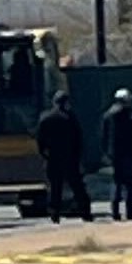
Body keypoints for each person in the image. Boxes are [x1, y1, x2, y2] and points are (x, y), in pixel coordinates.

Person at [34, 92, 92, 221]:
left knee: (55, 188)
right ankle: (85, 212)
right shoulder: (69, 118)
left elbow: (39, 139)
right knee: (77, 187)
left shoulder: (45, 118)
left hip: (53, 158)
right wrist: (78, 156)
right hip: (69, 158)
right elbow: (78, 139)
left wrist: (45, 154)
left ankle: (55, 213)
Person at [100, 87, 132, 220]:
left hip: (115, 154)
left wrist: (106, 152)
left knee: (117, 182)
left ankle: (115, 212)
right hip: (130, 154)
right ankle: (130, 211)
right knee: (129, 183)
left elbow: (103, 136)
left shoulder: (108, 115)